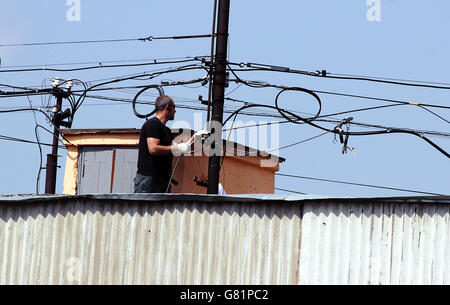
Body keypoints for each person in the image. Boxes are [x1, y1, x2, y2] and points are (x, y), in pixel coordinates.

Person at [134, 95, 188, 193]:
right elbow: (153, 149)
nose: (175, 111)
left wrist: (181, 147)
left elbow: (170, 150)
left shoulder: (166, 130)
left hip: (163, 181)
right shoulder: (152, 124)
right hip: (149, 180)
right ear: (167, 107)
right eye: (174, 107)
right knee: (147, 208)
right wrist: (176, 147)